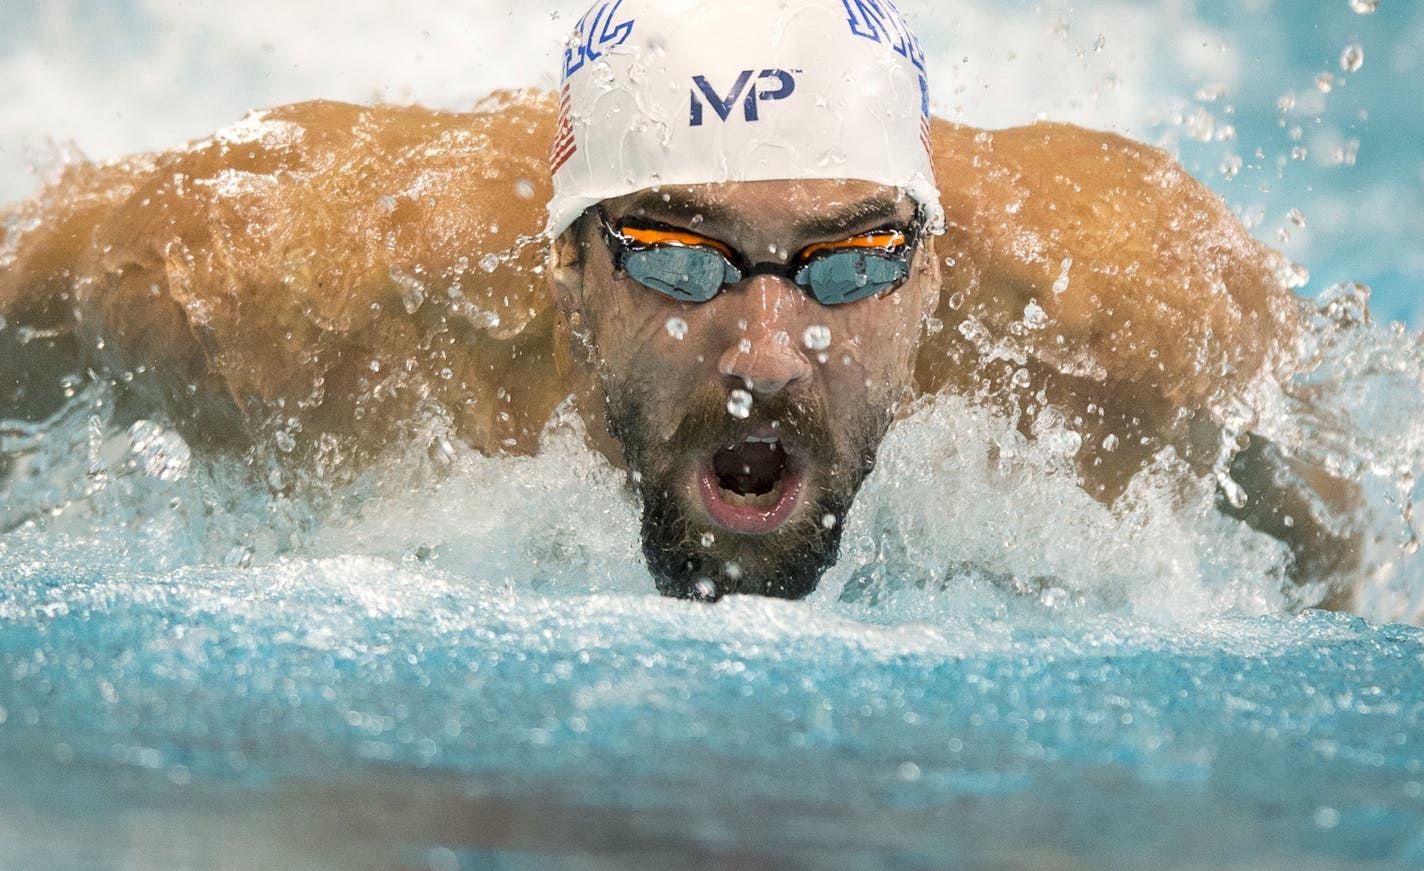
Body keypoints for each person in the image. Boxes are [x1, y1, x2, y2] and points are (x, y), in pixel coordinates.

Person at [0, 0, 1358, 602]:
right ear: (564, 265)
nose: (765, 352)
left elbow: (1335, 539)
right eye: (677, 258)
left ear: (935, 268)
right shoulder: (273, 293)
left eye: (849, 264)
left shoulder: (1131, 325)